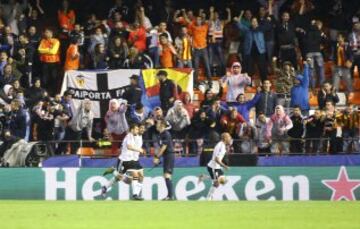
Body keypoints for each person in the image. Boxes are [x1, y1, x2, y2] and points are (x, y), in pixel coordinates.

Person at [101, 124, 145, 200]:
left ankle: (136, 194)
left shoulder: (136, 136)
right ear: (132, 130)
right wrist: (140, 150)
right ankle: (113, 172)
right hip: (123, 160)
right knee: (121, 177)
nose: (138, 130)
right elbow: (129, 147)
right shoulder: (129, 136)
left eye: (139, 129)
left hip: (131, 160)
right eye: (137, 129)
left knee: (137, 176)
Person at [199, 132, 231, 201]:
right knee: (216, 183)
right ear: (225, 138)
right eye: (229, 137)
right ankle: (208, 198)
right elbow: (216, 159)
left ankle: (204, 177)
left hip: (217, 167)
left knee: (224, 181)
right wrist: (225, 166)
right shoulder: (221, 146)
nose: (230, 138)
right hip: (213, 167)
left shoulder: (222, 145)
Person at [153, 119, 175, 200]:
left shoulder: (166, 134)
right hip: (166, 156)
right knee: (166, 176)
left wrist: (157, 157)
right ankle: (170, 195)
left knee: (167, 175)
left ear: (162, 125)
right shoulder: (161, 134)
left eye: (158, 123)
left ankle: (170, 196)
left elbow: (164, 147)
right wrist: (158, 157)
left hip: (169, 155)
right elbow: (161, 148)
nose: (156, 125)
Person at [37, 29, 60, 94]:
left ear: (51, 34)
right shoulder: (43, 41)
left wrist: (44, 50)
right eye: (45, 32)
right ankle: (44, 92)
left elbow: (53, 51)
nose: (46, 34)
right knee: (44, 78)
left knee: (53, 78)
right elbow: (39, 50)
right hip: (45, 62)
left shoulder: (56, 41)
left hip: (54, 62)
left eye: (47, 32)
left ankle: (53, 93)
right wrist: (48, 49)